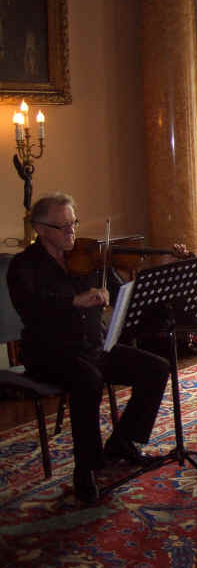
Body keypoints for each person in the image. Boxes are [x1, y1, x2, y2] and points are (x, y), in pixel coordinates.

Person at [7, 193, 170, 505]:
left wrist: (161, 267)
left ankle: (123, 442)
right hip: (49, 354)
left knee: (156, 367)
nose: (71, 232)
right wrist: (73, 301)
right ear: (40, 229)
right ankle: (86, 470)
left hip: (93, 347)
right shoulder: (23, 266)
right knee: (88, 381)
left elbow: (123, 289)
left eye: (73, 223)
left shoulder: (89, 259)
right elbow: (31, 306)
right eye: (63, 226)